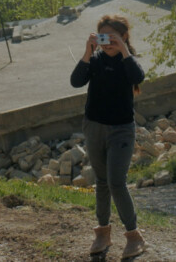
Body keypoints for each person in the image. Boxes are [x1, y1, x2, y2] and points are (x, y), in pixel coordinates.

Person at [70, 14, 147, 259]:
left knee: (116, 182)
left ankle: (134, 235)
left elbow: (138, 77)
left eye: (111, 37)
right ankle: (102, 233)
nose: (106, 42)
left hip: (121, 129)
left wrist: (124, 50)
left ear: (124, 36)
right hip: (94, 126)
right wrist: (87, 51)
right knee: (101, 182)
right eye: (101, 36)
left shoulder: (128, 61)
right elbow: (75, 81)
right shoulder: (95, 60)